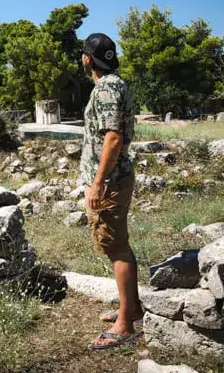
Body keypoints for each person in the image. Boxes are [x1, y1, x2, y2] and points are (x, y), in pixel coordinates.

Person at [78, 33, 143, 350]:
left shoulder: (105, 88)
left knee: (116, 248)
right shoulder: (114, 84)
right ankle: (131, 307)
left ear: (87, 59)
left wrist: (98, 182)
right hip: (116, 177)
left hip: (111, 181)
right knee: (117, 245)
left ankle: (125, 325)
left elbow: (113, 138)